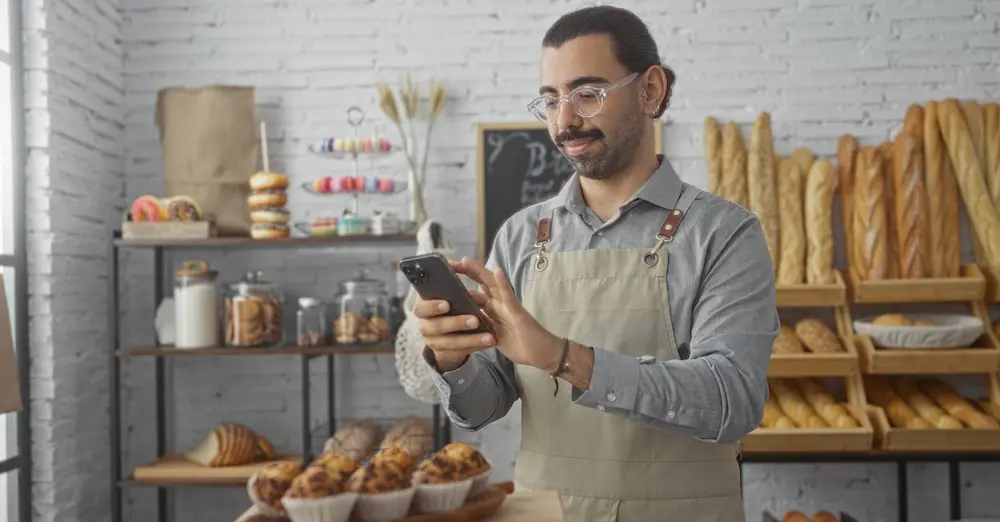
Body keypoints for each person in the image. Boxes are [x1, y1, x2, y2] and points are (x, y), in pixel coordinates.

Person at [415, 5, 778, 522]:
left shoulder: (724, 233)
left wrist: (564, 357)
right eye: (550, 99)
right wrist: (452, 359)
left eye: (588, 94)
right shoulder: (522, 237)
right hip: (545, 513)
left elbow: (732, 401)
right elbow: (482, 407)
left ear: (650, 90)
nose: (565, 121)